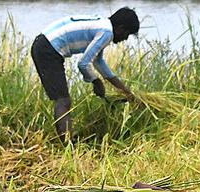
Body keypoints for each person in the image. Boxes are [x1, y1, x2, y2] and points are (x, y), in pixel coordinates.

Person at [31, 8, 141, 138]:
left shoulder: (103, 25)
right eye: (127, 34)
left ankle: (68, 142)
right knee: (63, 101)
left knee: (62, 100)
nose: (125, 39)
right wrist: (96, 81)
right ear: (120, 28)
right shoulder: (107, 32)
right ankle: (68, 146)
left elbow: (98, 62)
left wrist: (125, 91)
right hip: (48, 49)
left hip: (44, 44)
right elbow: (83, 64)